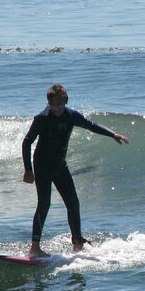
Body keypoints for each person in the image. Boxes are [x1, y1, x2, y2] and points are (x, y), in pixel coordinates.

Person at [22, 84, 129, 257]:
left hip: (59, 165)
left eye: (59, 104)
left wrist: (113, 134)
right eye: (53, 105)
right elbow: (27, 142)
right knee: (44, 204)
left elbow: (91, 125)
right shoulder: (42, 118)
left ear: (65, 102)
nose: (56, 108)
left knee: (73, 202)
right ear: (48, 103)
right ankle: (35, 248)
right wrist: (28, 170)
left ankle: (77, 242)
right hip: (42, 165)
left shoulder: (71, 115)